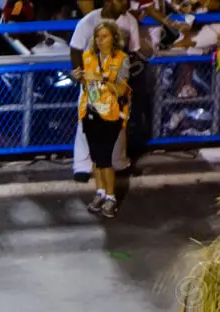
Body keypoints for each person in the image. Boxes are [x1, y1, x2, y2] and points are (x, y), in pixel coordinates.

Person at [69, 0, 137, 181]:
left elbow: (135, 52)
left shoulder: (130, 21)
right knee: (87, 122)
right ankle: (82, 166)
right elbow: (75, 49)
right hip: (92, 81)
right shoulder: (89, 21)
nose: (126, 3)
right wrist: (83, 78)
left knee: (118, 123)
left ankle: (119, 162)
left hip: (115, 82)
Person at [74, 19, 129, 218]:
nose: (99, 40)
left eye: (104, 36)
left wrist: (102, 78)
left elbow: (122, 88)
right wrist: (79, 77)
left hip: (111, 113)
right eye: (97, 36)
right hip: (90, 112)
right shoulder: (88, 56)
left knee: (105, 158)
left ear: (113, 38)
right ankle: (100, 192)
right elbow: (84, 84)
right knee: (96, 157)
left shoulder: (121, 59)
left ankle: (111, 197)